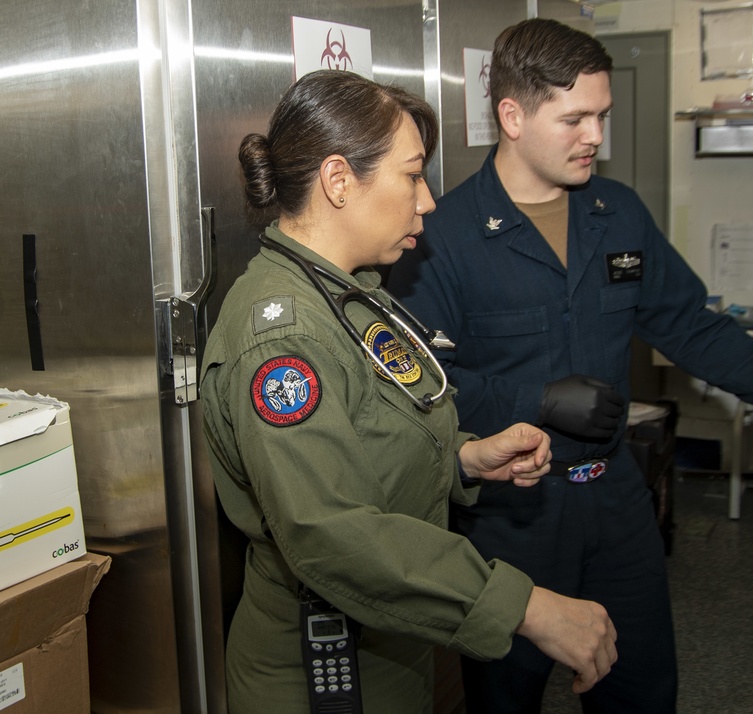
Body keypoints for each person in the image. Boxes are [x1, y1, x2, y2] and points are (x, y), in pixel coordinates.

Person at [387, 18, 753, 714]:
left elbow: (686, 323)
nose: (597, 135)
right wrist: (536, 398)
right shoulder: (439, 237)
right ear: (512, 115)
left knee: (642, 689)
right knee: (506, 694)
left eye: (603, 115)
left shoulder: (614, 211)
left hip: (617, 499)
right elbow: (417, 384)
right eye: (575, 119)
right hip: (510, 513)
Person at [199, 69, 619, 714]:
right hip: (320, 670)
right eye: (412, 175)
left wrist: (462, 459)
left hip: (389, 639)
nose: (427, 200)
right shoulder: (282, 340)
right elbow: (331, 531)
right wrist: (528, 608)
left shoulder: (353, 296)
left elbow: (364, 450)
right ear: (339, 181)